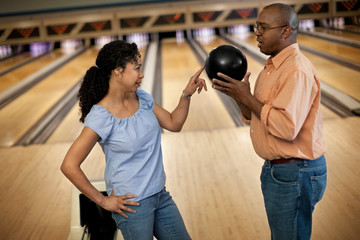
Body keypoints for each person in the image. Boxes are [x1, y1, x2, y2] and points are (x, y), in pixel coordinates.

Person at [60, 40, 207, 240]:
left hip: (160, 196)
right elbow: (69, 165)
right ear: (118, 71)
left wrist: (186, 94)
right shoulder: (101, 116)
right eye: (136, 68)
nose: (142, 74)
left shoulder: (141, 98)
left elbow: (174, 123)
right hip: (132, 207)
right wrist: (103, 201)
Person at [212, 3, 327, 240]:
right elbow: (257, 116)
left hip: (296, 172)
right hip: (281, 171)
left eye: (263, 27)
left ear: (285, 31)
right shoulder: (271, 68)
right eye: (256, 26)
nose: (257, 32)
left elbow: (286, 127)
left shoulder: (296, 70)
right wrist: (238, 96)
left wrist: (247, 97)